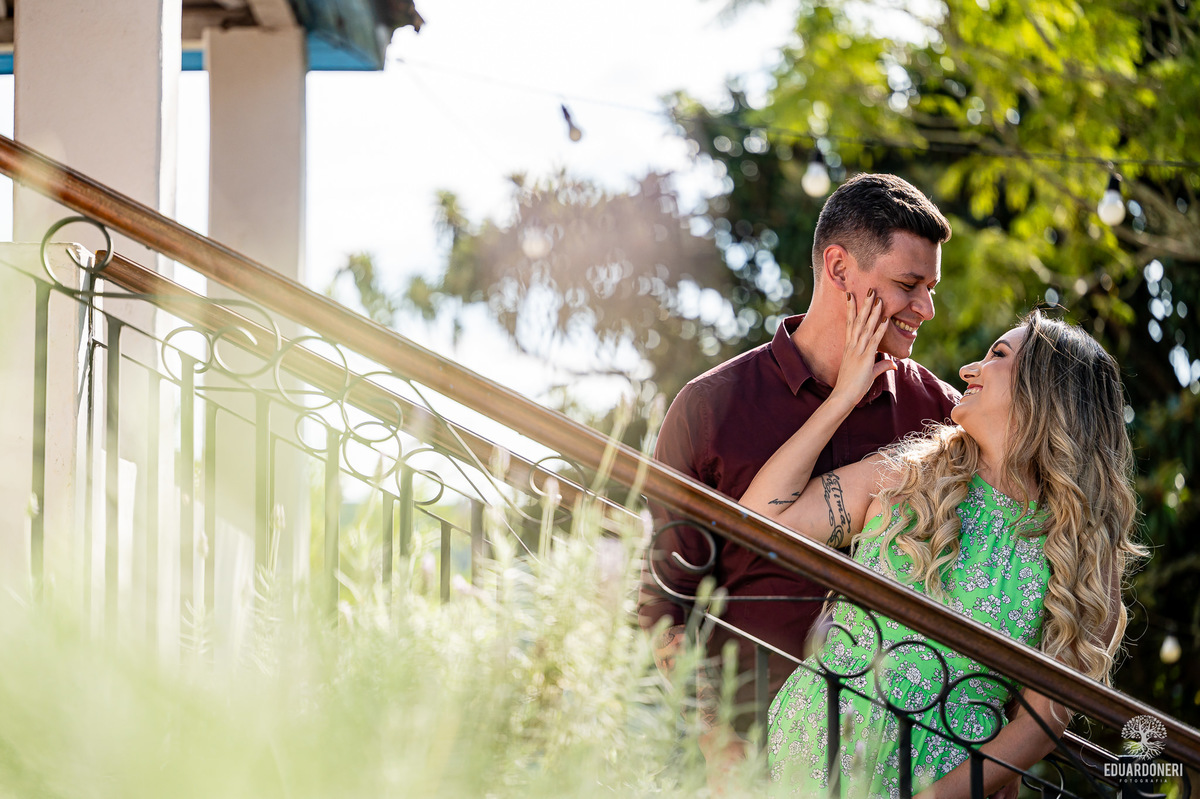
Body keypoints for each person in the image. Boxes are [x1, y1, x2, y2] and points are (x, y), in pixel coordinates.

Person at [740, 301, 1144, 798]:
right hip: (810, 749)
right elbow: (762, 518)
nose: (968, 368)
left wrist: (937, 797)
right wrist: (843, 397)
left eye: (996, 355)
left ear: (1047, 389)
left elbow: (1045, 718)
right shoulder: (907, 472)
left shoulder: (1085, 550)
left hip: (937, 780)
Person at [637, 174, 958, 746]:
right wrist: (717, 742)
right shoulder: (710, 406)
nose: (926, 308)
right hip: (745, 750)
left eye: (931, 287)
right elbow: (665, 605)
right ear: (839, 270)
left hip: (891, 762)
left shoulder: (943, 414)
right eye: (909, 284)